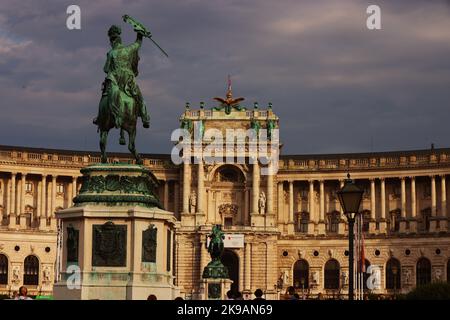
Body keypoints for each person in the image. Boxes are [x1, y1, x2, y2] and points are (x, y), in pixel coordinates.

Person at [93, 24, 150, 129]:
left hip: (114, 79)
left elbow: (105, 69)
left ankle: (99, 116)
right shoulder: (128, 50)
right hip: (128, 79)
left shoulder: (111, 53)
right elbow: (137, 44)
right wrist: (140, 34)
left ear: (112, 41)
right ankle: (145, 117)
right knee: (139, 97)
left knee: (104, 95)